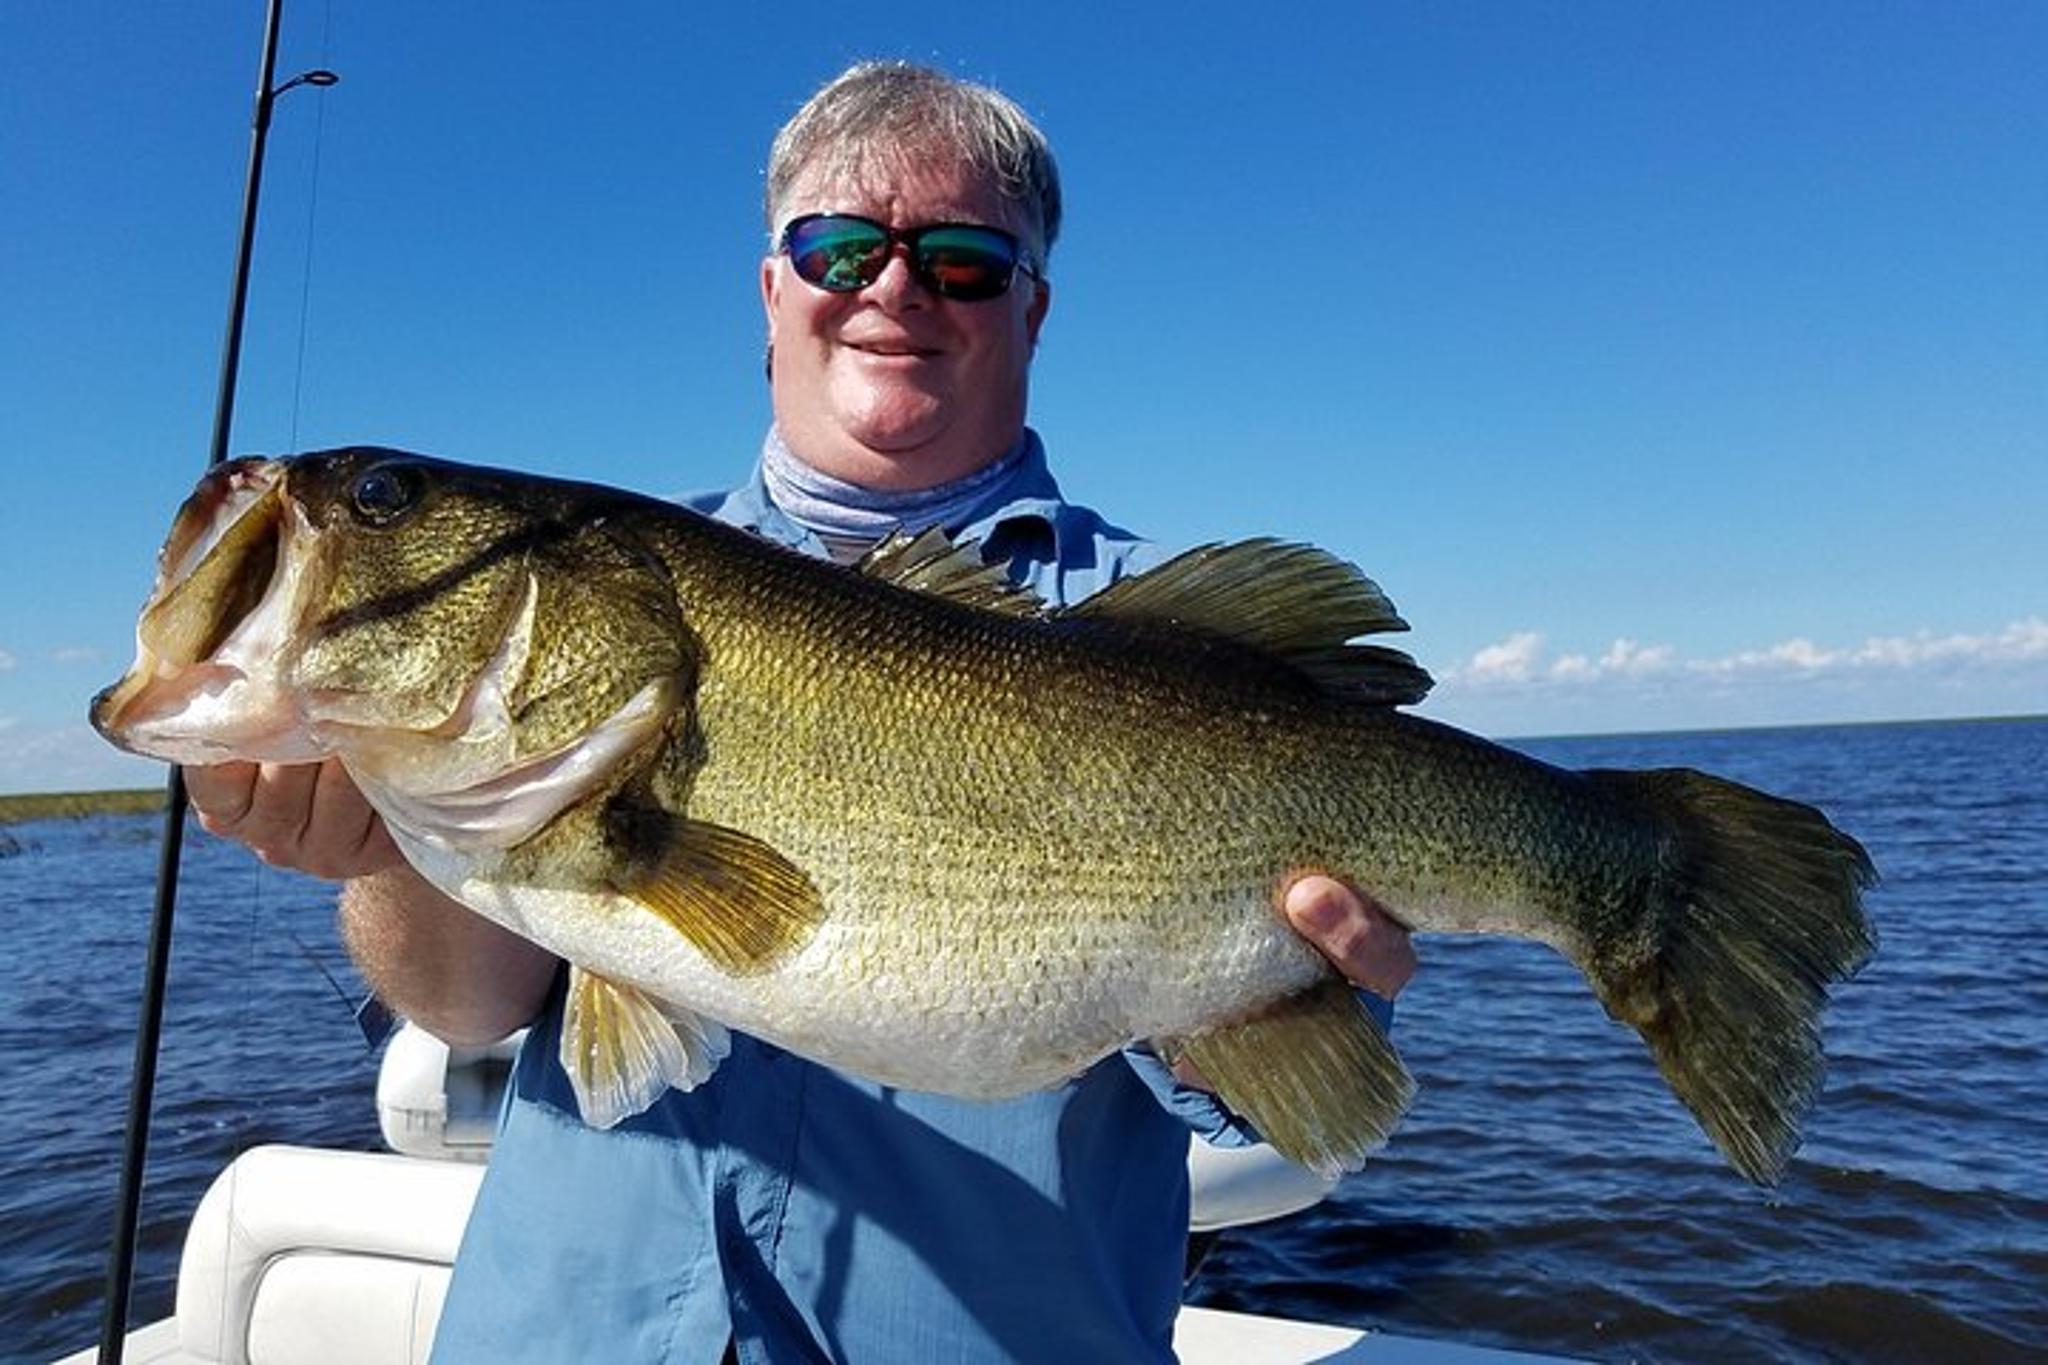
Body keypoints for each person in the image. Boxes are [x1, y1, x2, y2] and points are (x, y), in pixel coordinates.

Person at [186, 61, 1418, 1363]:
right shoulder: (604, 603)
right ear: (772, 296)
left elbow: (1291, 1112)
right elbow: (471, 1009)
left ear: (1034, 311)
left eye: (961, 258)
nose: (892, 285)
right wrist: (387, 842)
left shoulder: (1153, 633)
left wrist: (1282, 999)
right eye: (839, 249)